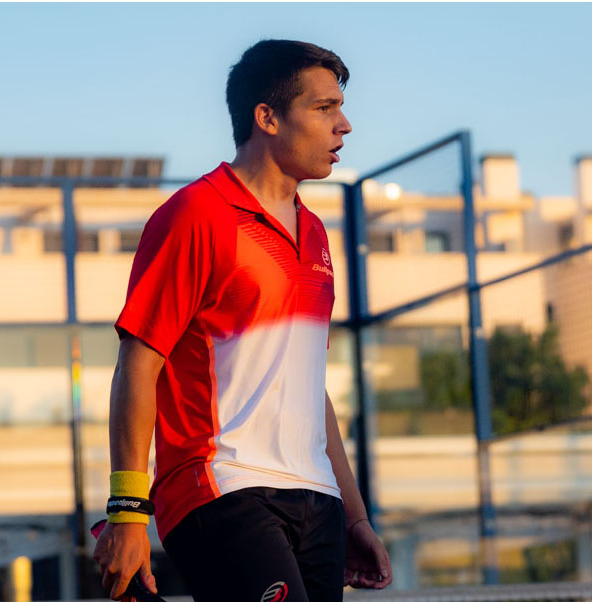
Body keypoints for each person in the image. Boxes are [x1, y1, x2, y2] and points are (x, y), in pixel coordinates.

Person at [94, 39, 392, 601]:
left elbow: (308, 387)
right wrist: (128, 510)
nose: (344, 125)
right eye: (324, 108)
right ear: (267, 118)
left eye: (341, 107)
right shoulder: (196, 214)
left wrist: (355, 517)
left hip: (317, 497)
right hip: (221, 487)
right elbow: (138, 363)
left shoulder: (316, 234)